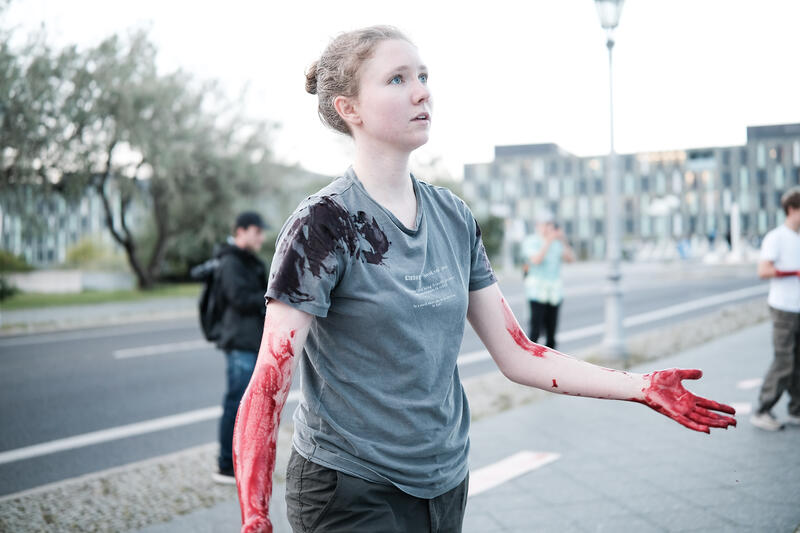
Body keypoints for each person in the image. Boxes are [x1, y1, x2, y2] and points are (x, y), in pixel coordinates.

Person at [232, 26, 736, 533]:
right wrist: (254, 510)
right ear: (349, 109)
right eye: (397, 78)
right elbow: (269, 381)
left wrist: (642, 386)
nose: (422, 90)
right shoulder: (323, 224)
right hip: (349, 487)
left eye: (424, 75)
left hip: (444, 481)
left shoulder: (452, 216)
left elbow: (518, 353)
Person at [212, 211, 268, 483]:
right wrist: (270, 294)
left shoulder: (247, 261)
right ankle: (225, 465)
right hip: (240, 342)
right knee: (236, 404)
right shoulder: (232, 262)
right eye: (257, 231)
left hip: (252, 341)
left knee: (249, 406)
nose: (262, 237)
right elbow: (239, 298)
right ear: (242, 231)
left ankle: (242, 462)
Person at [750, 187, 800, 431]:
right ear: (792, 209)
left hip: (798, 308)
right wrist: (794, 272)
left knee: (798, 362)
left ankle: (796, 411)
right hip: (783, 309)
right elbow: (763, 271)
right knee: (784, 361)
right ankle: (762, 410)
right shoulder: (776, 237)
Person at [521, 212, 575, 349]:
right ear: (538, 226)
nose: (549, 228)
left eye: (551, 225)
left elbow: (570, 259)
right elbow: (536, 260)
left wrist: (562, 239)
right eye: (546, 225)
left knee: (552, 333)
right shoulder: (531, 241)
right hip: (537, 291)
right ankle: (531, 363)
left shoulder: (557, 243)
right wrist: (548, 241)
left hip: (554, 292)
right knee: (535, 332)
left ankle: (550, 363)